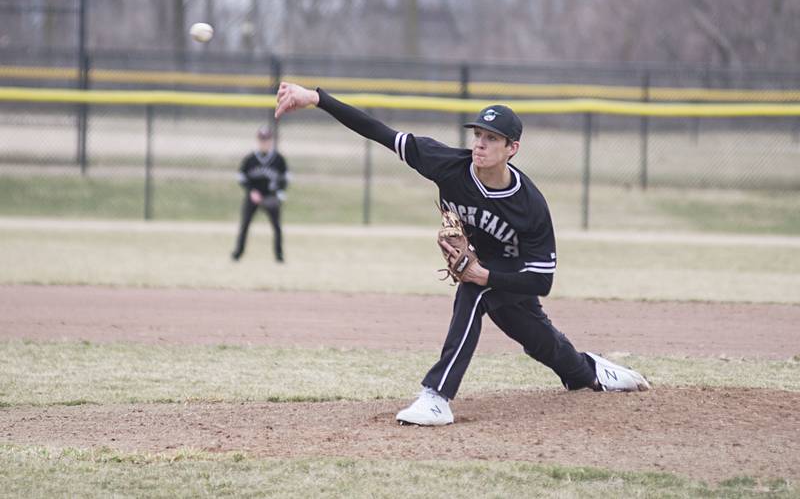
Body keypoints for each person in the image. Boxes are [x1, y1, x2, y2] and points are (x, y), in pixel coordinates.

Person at [275, 82, 650, 426]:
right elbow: (379, 133)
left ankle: (437, 396)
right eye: (478, 135)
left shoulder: (529, 204)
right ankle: (592, 371)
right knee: (544, 346)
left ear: (512, 149)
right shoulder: (448, 166)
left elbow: (542, 279)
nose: (480, 144)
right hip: (489, 269)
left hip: (513, 274)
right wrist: (318, 99)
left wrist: (486, 277)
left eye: (492, 138)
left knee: (474, 293)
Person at [232, 125, 289, 263]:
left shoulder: (278, 160)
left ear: (271, 140)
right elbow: (241, 177)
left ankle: (279, 256)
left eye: (267, 139)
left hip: (270, 197)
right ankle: (237, 254)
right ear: (258, 140)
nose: (264, 142)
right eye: (262, 139)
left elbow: (285, 178)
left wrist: (279, 192)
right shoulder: (250, 159)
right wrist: (251, 191)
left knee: (276, 227)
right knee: (245, 225)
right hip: (253, 196)